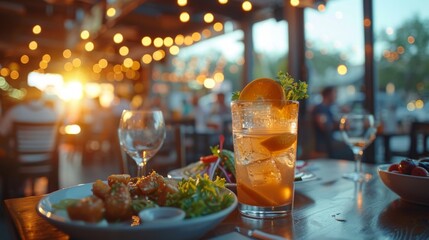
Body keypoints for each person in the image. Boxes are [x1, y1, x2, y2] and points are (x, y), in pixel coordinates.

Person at [311, 86, 339, 158]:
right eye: (334, 93)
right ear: (328, 94)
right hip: (323, 149)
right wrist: (341, 125)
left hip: (330, 147)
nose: (336, 96)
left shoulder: (327, 108)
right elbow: (324, 126)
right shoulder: (320, 108)